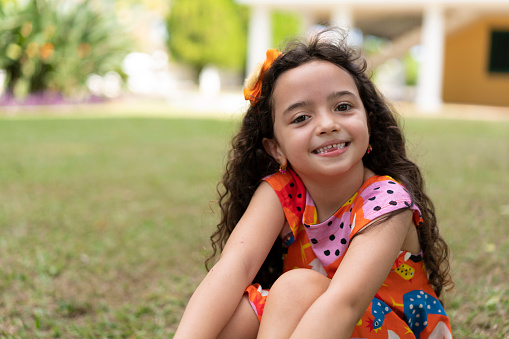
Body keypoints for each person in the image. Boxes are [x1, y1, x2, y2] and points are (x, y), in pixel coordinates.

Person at [174, 28, 453, 339]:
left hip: (381, 327)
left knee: (296, 286)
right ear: (276, 148)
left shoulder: (387, 201)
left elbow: (345, 304)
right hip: (318, 323)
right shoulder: (281, 191)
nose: (327, 124)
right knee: (237, 313)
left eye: (343, 107)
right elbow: (233, 268)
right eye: (301, 117)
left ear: (369, 122)